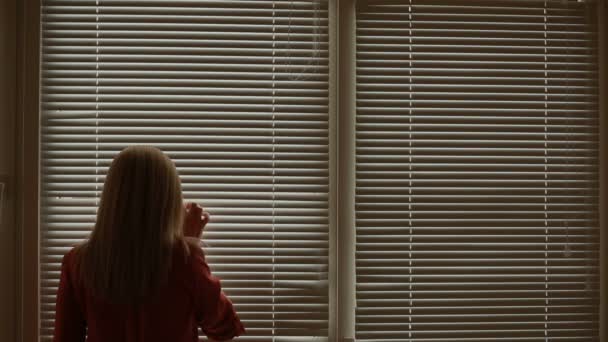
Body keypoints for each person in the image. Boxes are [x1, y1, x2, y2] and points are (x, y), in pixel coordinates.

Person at [53, 146, 245, 342]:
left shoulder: (77, 263)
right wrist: (190, 244)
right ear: (169, 199)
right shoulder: (184, 260)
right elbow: (225, 328)